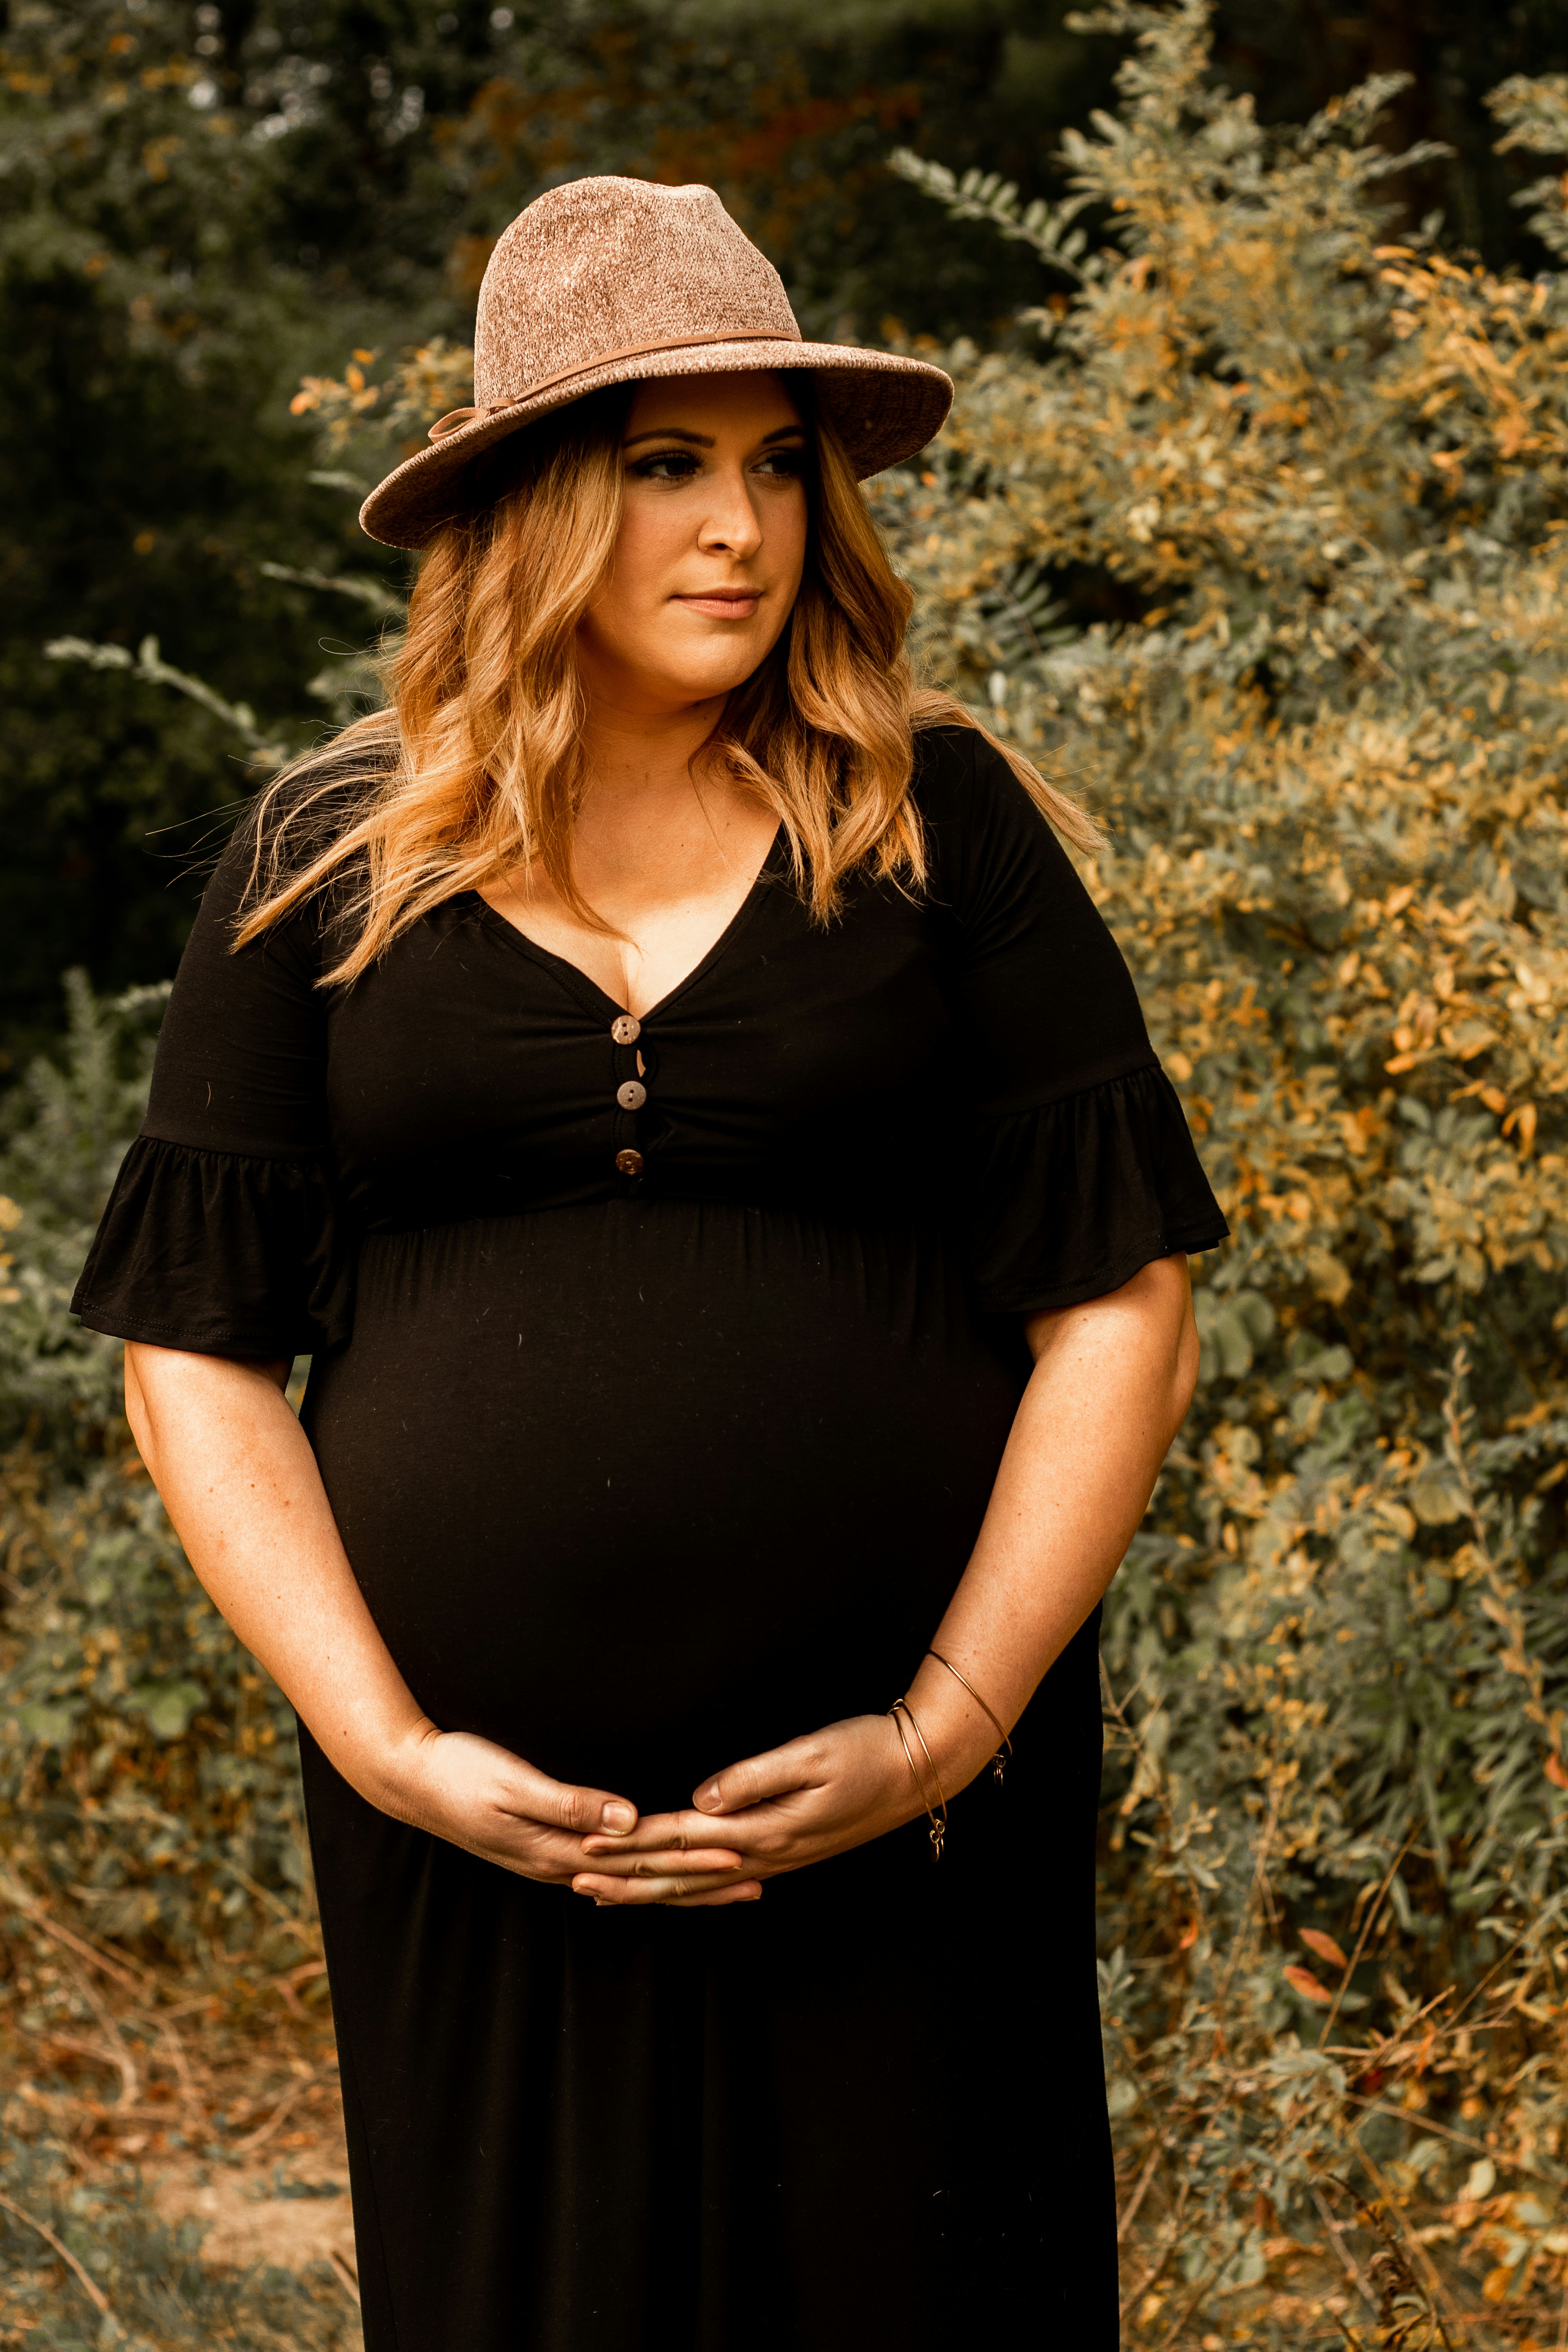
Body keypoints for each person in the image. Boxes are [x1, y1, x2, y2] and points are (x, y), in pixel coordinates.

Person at [73, 177, 1227, 2350]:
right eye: (665, 464)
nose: (745, 529)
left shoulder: (936, 822)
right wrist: (392, 1746)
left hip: (905, 1840)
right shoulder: (325, 860)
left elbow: (1118, 1303)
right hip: (487, 1849)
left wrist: (937, 1732)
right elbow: (193, 1359)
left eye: (779, 463)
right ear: (528, 503)